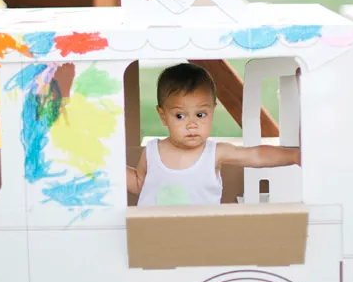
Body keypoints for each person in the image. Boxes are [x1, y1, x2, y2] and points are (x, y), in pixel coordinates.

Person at [127, 63, 300, 207]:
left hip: (204, 237)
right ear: (163, 116)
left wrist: (293, 155)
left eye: (200, 114)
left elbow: (256, 155)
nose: (192, 124)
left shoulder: (214, 153)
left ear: (212, 111)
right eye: (180, 116)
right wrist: (101, 166)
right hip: (157, 239)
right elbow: (138, 184)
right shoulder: (152, 152)